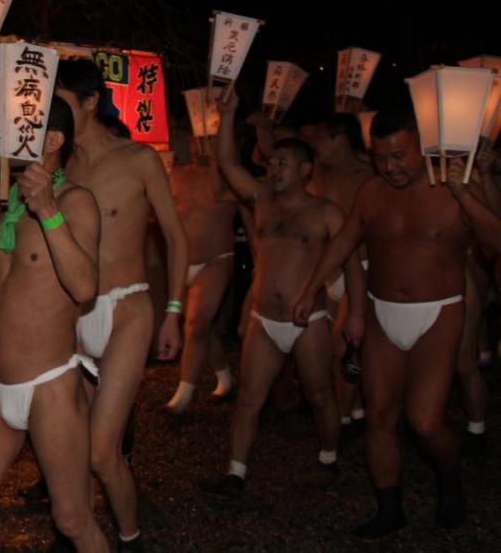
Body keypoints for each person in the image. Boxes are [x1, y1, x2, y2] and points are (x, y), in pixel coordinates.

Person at [292, 105, 501, 538]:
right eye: (381, 157)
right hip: (381, 309)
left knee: (424, 420)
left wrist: (465, 194)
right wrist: (312, 286)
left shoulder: (456, 187)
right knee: (381, 416)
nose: (390, 167)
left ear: (422, 149)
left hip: (439, 310)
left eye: (399, 156)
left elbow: (496, 241)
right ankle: (390, 507)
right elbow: (346, 239)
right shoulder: (371, 191)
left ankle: (451, 475)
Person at [0, 98, 107, 553]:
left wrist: (48, 209)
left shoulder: (76, 202)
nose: (6, 140)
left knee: (72, 519)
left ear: (52, 141)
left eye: (20, 131)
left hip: (49, 384)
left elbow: (85, 288)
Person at [201, 90, 363, 497]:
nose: (273, 169)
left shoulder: (326, 212)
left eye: (282, 163)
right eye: (271, 162)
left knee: (320, 395)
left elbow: (352, 267)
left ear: (306, 169)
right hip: (264, 318)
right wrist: (229, 114)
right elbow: (226, 162)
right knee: (249, 398)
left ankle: (329, 459)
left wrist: (356, 313)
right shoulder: (262, 200)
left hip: (308, 321)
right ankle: (235, 473)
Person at [55, 59, 188, 550]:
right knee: (73, 445)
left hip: (128, 309)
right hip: (71, 313)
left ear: (90, 102)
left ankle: (130, 538)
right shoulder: (56, 166)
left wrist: (174, 310)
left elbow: (176, 237)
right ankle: (78, 529)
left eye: (63, 100)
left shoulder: (138, 159)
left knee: (100, 450)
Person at [303, 114, 375, 435]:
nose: (314, 146)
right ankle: (352, 408)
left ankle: (343, 420)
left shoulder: (370, 176)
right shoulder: (321, 172)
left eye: (320, 138)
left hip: (362, 267)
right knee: (335, 346)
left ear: (339, 138)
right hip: (330, 270)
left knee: (343, 344)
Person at [166, 140, 237, 413]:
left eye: (208, 139)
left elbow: (248, 211)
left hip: (216, 259)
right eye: (196, 140)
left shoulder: (229, 178)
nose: (200, 147)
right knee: (202, 327)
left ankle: (183, 396)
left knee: (195, 325)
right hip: (182, 261)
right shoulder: (176, 173)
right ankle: (226, 377)